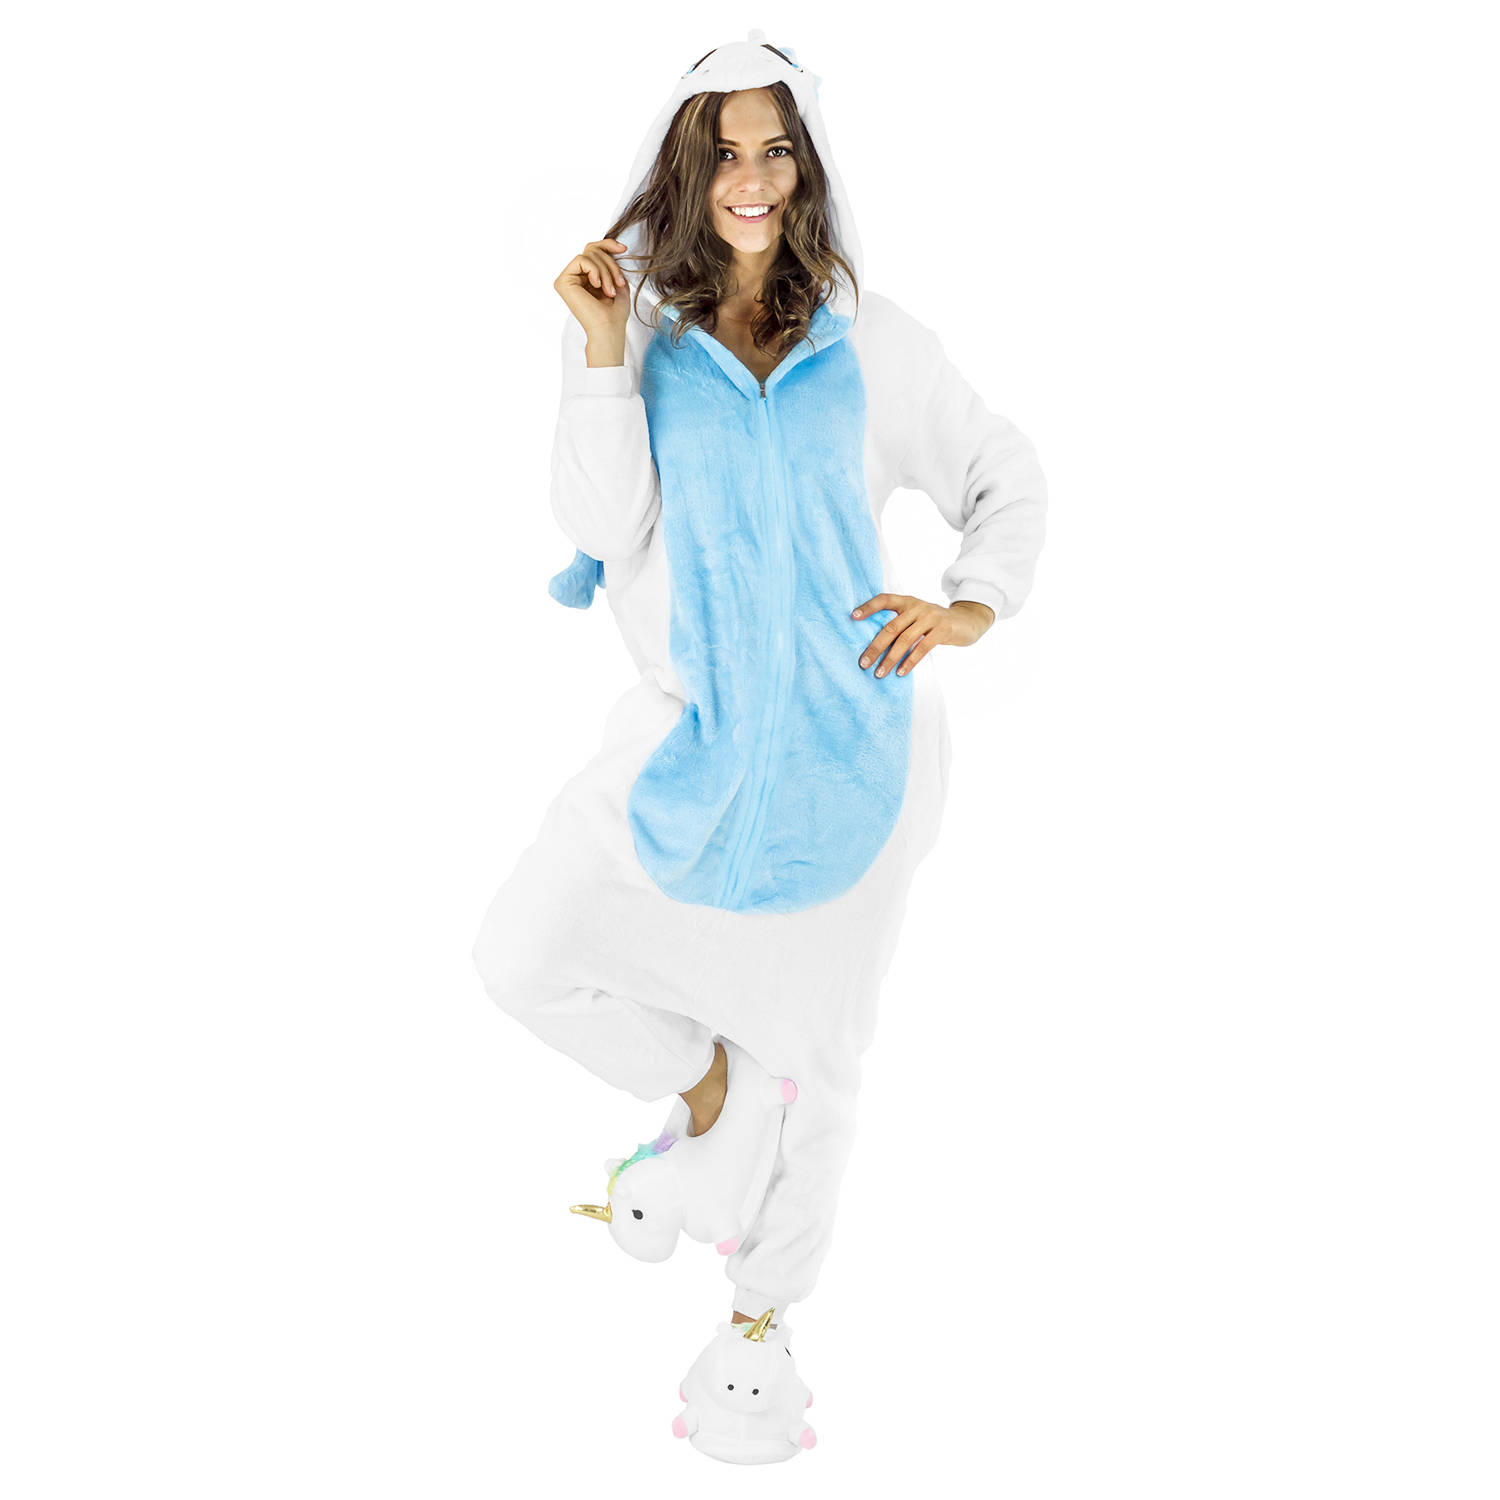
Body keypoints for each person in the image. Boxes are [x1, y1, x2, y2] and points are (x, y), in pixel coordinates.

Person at [473, 33, 1047, 1463]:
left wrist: (971, 604)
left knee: (827, 1059)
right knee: (522, 954)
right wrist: (598, 352)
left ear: (808, 165)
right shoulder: (641, 337)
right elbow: (601, 526)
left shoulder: (872, 341)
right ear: (684, 167)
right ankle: (712, 1092)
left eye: (774, 149)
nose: (751, 178)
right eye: (724, 151)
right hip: (691, 746)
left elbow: (1001, 468)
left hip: (859, 755)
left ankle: (759, 1324)